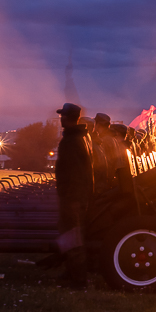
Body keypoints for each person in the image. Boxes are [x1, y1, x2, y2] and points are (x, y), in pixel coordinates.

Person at [55, 102, 93, 288]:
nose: (60, 119)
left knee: (73, 236)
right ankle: (71, 272)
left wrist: (69, 197)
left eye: (63, 116)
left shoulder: (72, 140)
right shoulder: (81, 138)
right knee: (71, 235)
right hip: (76, 195)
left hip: (72, 197)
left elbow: (74, 173)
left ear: (69, 118)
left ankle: (78, 279)